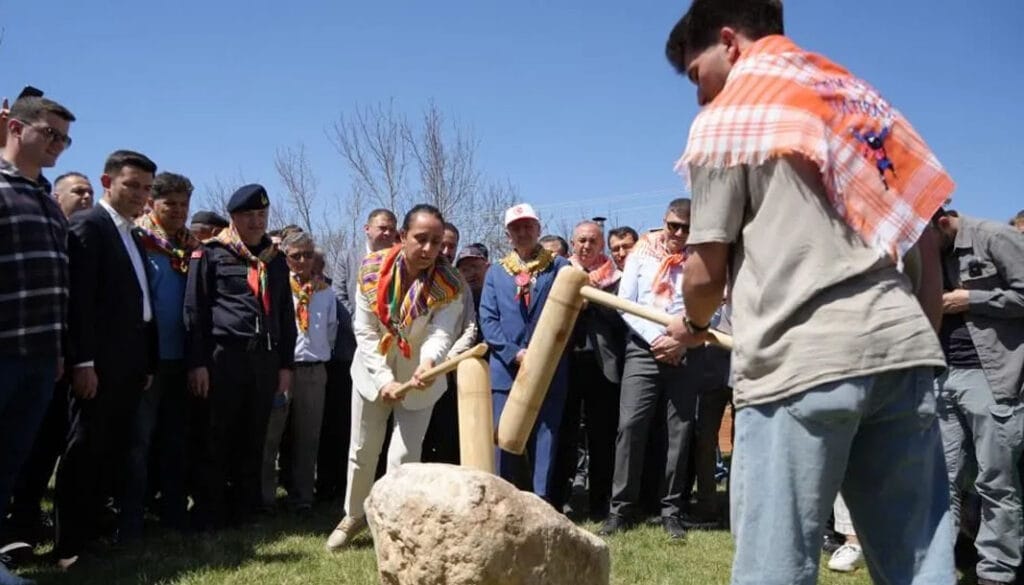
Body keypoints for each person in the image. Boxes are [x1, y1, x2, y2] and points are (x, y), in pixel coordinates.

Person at [663, 1, 955, 582]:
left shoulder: (734, 115)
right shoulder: (862, 105)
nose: (699, 96)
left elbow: (703, 272)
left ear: (730, 42)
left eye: (698, 75)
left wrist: (693, 326)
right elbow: (922, 244)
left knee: (775, 566)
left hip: (800, 361)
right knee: (920, 567)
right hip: (904, 356)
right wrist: (920, 341)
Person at [326, 204, 464, 550]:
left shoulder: (450, 283)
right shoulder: (370, 270)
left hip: (422, 379)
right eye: (421, 239)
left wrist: (429, 362)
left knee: (403, 458)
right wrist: (384, 378)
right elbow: (365, 329)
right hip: (373, 374)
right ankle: (354, 515)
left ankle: (394, 527)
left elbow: (442, 331)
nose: (430, 249)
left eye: (437, 241)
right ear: (403, 237)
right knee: (362, 450)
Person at [55, 150, 159, 569]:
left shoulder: (132, 234)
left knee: (110, 450)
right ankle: (68, 546)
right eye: (132, 185)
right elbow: (80, 302)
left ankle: (94, 532)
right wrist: (83, 362)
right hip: (97, 365)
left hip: (130, 364)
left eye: (147, 188)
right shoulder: (89, 226)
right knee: (84, 449)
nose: (140, 195)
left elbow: (140, 303)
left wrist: (146, 363)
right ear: (107, 182)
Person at [184, 184, 296, 531]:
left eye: (262, 215)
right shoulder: (212, 253)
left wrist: (285, 366)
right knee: (217, 435)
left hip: (262, 361)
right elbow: (194, 311)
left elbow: (284, 314)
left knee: (254, 436)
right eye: (249, 215)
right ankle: (210, 511)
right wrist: (197, 362)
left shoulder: (274, 260)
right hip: (223, 359)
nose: (256, 221)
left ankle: (244, 510)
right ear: (233, 217)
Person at [0, 95, 75, 585]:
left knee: (9, 463)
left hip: (41, 358)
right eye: (50, 134)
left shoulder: (48, 203)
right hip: (3, 352)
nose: (58, 147)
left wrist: (60, 353)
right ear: (13, 127)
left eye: (65, 140)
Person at [598, 199, 704, 540]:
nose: (678, 233)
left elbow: (715, 307)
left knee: (680, 431)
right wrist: (658, 338)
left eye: (686, 228)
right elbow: (625, 304)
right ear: (664, 221)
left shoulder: (705, 258)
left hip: (686, 352)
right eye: (673, 225)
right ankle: (620, 510)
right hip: (643, 348)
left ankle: (672, 511)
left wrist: (681, 342)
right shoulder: (641, 252)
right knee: (630, 427)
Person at [932, 208, 1024, 585]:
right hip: (942, 376)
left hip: (992, 377)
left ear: (941, 223)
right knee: (941, 480)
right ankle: (937, 569)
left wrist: (972, 299)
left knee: (995, 481)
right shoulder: (929, 251)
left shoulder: (996, 237)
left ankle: (996, 574)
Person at [120, 172, 198, 536]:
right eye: (171, 204)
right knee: (138, 442)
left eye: (184, 204)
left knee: (177, 439)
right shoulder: (137, 241)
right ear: (152, 202)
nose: (179, 211)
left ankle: (173, 514)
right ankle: (131, 519)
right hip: (146, 360)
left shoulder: (192, 247)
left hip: (181, 359)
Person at [480, 203, 570, 501]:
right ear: (508, 235)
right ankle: (503, 501)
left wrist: (541, 354)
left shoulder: (559, 267)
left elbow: (570, 310)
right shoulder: (495, 272)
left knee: (547, 436)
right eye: (516, 228)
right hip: (507, 369)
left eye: (528, 226)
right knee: (503, 437)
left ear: (538, 229)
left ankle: (543, 502)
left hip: (549, 369)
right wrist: (514, 353)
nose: (523, 232)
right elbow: (488, 320)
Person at [551, 220, 626, 519]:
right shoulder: (559, 273)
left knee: (602, 438)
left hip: (602, 367)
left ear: (601, 245)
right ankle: (560, 499)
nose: (586, 246)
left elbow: (623, 320)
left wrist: (593, 300)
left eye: (592, 241)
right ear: (574, 241)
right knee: (564, 435)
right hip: (565, 365)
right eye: (581, 240)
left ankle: (600, 504)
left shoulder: (617, 278)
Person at [261, 231, 337, 513]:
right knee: (271, 436)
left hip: (314, 372)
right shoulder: (277, 286)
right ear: (286, 257)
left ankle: (303, 496)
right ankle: (266, 497)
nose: (302, 261)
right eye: (295, 256)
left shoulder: (325, 292)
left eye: (307, 255)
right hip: (283, 370)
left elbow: (331, 330)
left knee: (308, 436)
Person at [422, 223, 479, 465]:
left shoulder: (459, 283)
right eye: (440, 244)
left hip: (449, 371)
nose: (446, 250)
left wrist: (448, 359)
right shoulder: (414, 277)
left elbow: (470, 327)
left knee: (447, 438)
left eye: (451, 246)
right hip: (416, 371)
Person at [335, 209, 398, 317]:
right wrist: (360, 323)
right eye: (382, 228)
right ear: (367, 229)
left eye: (392, 229)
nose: (388, 233)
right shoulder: (346, 258)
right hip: (354, 328)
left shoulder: (401, 260)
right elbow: (339, 296)